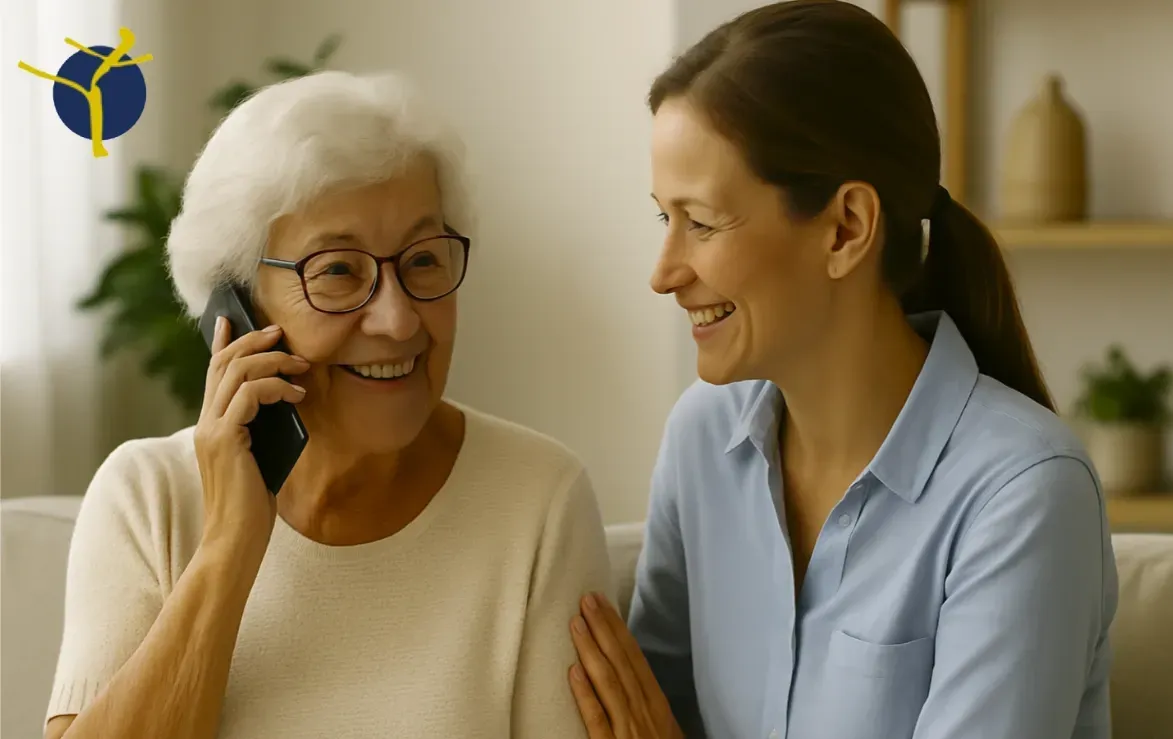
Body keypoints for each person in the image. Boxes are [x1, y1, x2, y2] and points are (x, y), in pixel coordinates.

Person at [565, 2, 1117, 738]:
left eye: (699, 221)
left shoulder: (1023, 495)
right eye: (662, 219)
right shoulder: (702, 437)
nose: (663, 273)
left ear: (845, 228)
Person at [44, 70, 612, 739]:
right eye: (338, 271)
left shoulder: (536, 497)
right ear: (236, 313)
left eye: (423, 261)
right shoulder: (146, 496)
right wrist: (229, 547)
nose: (399, 321)